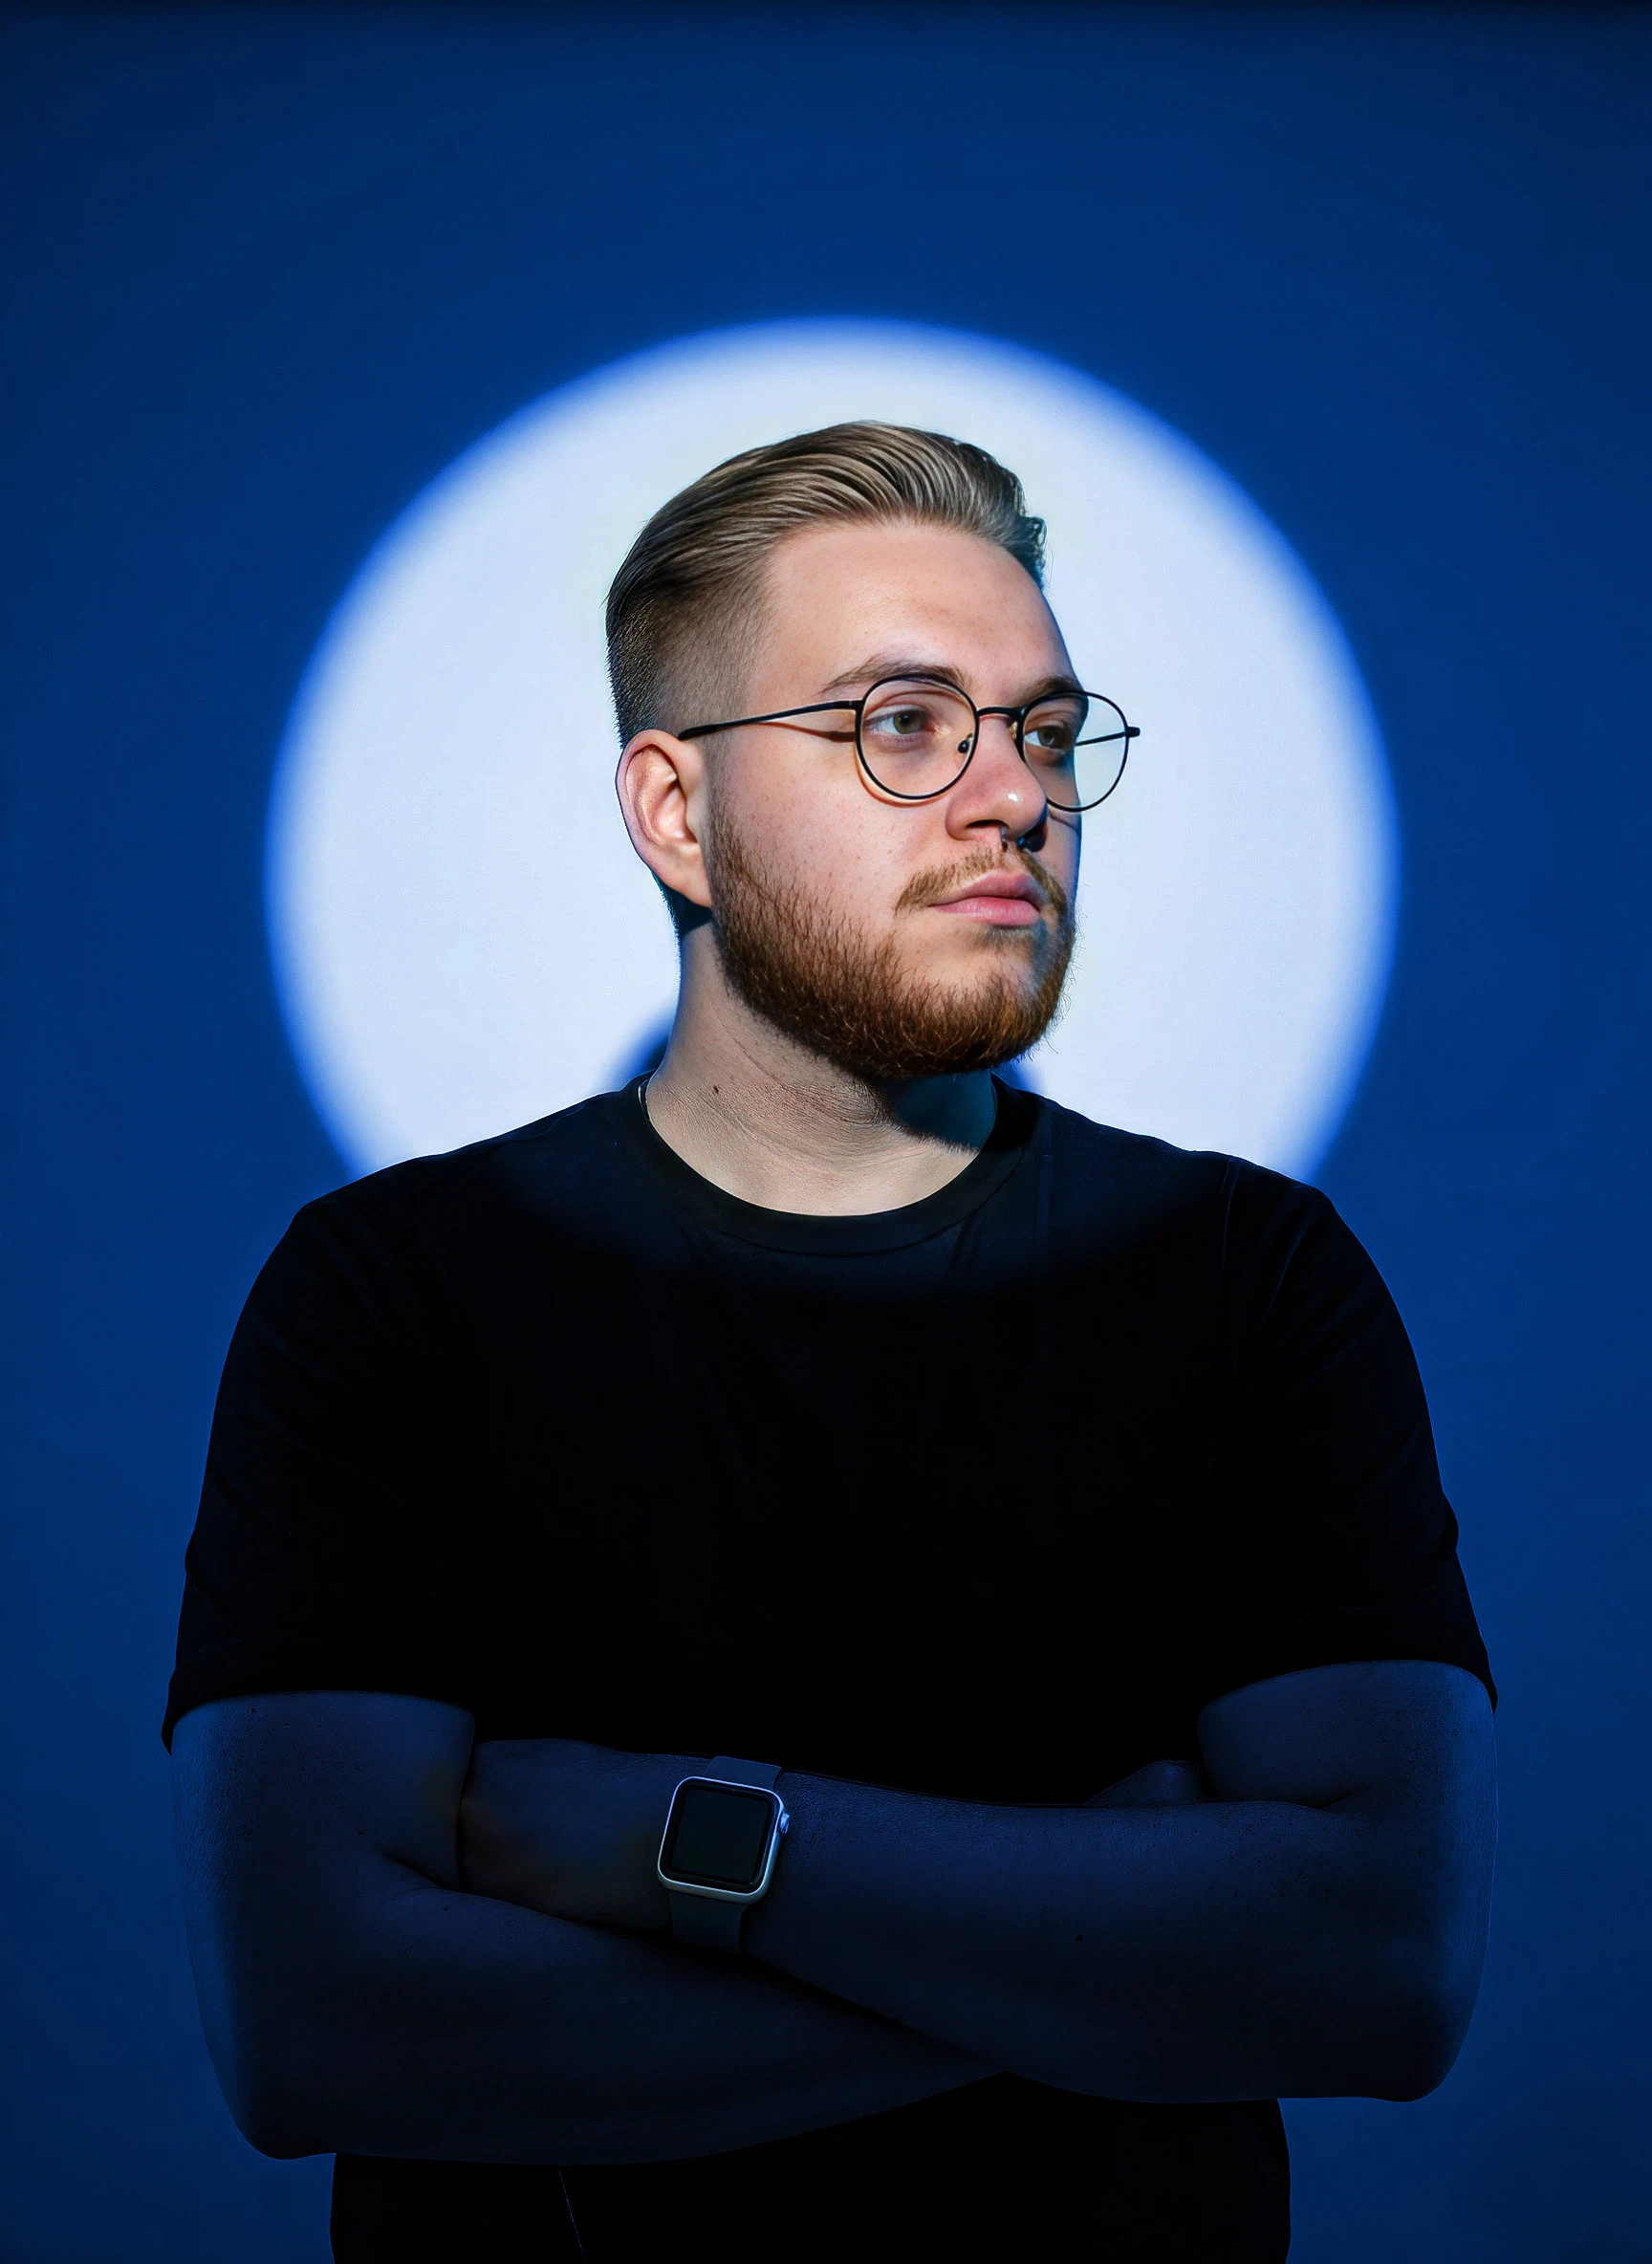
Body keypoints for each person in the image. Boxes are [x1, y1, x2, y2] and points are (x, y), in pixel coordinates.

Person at [166, 423, 1497, 2263]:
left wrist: (683, 1844)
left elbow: (1381, 1966)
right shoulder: (391, 1291)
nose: (1014, 796)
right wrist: (1100, 1948)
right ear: (673, 814)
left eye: (1043, 730)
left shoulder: (1247, 1276)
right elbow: (321, 2029)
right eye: (900, 723)